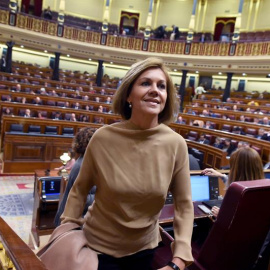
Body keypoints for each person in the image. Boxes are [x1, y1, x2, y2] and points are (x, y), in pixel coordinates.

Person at [60, 58, 194, 270]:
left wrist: (179, 260)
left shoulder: (176, 144)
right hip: (96, 250)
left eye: (161, 86)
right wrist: (67, 233)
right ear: (128, 95)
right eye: (145, 83)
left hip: (144, 251)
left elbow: (185, 205)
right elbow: (79, 190)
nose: (154, 90)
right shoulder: (103, 138)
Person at [54, 127, 96, 227]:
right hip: (72, 221)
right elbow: (83, 199)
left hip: (74, 218)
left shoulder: (87, 161)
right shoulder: (83, 164)